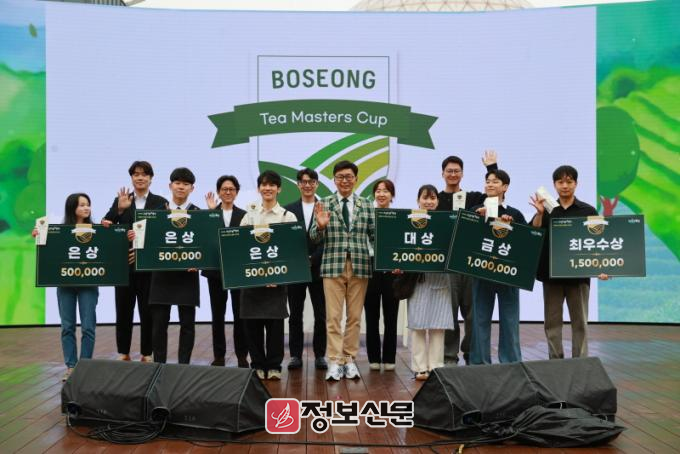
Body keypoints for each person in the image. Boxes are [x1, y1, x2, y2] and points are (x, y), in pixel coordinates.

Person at [529, 165, 609, 359]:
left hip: (578, 277)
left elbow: (598, 242)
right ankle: (555, 361)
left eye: (569, 182)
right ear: (554, 185)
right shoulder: (547, 209)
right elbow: (534, 232)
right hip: (551, 275)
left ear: (576, 184)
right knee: (552, 323)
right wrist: (539, 213)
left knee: (580, 322)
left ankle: (580, 361)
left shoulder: (587, 210)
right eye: (560, 182)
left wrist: (604, 267)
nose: (565, 186)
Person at [310, 160, 375, 381]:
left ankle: (349, 359)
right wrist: (320, 226)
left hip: (360, 266)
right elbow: (314, 237)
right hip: (332, 266)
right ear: (334, 180)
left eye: (348, 177)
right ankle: (335, 361)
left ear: (356, 179)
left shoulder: (366, 204)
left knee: (355, 317)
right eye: (340, 177)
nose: (344, 181)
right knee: (333, 317)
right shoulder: (324, 203)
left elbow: (375, 236)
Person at [34, 194, 106, 381]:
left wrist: (111, 230)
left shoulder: (98, 230)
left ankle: (85, 366)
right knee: (67, 327)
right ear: (72, 208)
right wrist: (39, 235)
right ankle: (71, 366)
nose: (86, 208)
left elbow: (108, 248)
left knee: (88, 327)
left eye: (88, 204)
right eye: (81, 205)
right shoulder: (60, 232)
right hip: (65, 285)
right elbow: (49, 252)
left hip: (88, 285)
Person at [437, 151, 498, 365]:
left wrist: (492, 168)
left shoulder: (473, 198)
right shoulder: (436, 199)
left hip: (471, 264)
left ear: (462, 174)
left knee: (473, 313)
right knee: (449, 313)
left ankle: (471, 353)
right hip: (447, 265)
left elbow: (494, 197)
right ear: (442, 173)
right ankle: (449, 356)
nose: (453, 174)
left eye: (457, 171)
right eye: (449, 171)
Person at [104, 161, 167, 363]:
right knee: (123, 310)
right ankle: (123, 351)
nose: (140, 177)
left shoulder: (160, 202)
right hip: (124, 267)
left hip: (148, 268)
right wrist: (119, 210)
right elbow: (106, 226)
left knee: (147, 312)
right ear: (131, 178)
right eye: (136, 174)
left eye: (144, 174)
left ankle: (147, 353)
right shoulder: (121, 200)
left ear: (151, 178)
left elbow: (163, 234)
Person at [240, 170, 297, 380]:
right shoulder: (249, 215)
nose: (268, 188)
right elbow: (240, 246)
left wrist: (278, 276)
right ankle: (257, 364)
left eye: (272, 185)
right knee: (252, 326)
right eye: (264, 185)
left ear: (279, 189)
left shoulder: (287, 216)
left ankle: (274, 366)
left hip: (277, 280)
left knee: (275, 327)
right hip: (252, 280)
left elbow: (291, 250)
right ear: (259, 188)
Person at [470, 169, 526, 365]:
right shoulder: (475, 210)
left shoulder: (514, 213)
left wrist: (513, 226)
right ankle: (479, 362)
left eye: (495, 181)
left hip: (507, 275)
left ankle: (511, 362)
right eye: (488, 181)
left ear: (505, 187)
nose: (490, 184)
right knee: (479, 319)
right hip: (481, 272)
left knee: (510, 320)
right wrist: (478, 218)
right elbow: (464, 236)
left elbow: (525, 242)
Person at [148, 167, 200, 364]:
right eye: (177, 183)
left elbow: (204, 245)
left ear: (192, 188)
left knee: (187, 325)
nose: (181, 187)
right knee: (159, 325)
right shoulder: (156, 214)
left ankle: (183, 366)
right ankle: (159, 365)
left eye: (186, 184)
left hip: (187, 277)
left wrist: (199, 262)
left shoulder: (198, 214)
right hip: (161, 277)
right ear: (170, 186)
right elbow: (148, 244)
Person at [406, 185, 454, 380]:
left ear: (437, 201)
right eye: (425, 198)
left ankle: (435, 367)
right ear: (418, 200)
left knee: (438, 326)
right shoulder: (408, 221)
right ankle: (419, 367)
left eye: (432, 198)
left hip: (440, 279)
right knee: (418, 325)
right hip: (417, 280)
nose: (428, 201)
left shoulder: (446, 221)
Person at [203, 175, 248, 367]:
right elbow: (205, 241)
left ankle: (242, 356)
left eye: (231, 189)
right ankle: (219, 356)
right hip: (215, 272)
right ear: (218, 192)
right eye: (224, 189)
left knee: (240, 315)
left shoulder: (245, 215)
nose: (228, 192)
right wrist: (211, 213)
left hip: (238, 273)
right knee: (217, 314)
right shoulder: (210, 215)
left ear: (236, 192)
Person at [285, 168, 327, 371]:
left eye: (311, 182)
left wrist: (313, 259)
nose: (307, 185)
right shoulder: (288, 210)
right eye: (303, 182)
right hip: (295, 269)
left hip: (319, 269)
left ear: (317, 184)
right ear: (298, 185)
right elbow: (285, 239)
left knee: (321, 315)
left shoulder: (325, 208)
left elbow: (329, 239)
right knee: (295, 315)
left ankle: (320, 355)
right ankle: (295, 355)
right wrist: (300, 260)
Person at [364, 179, 400, 372]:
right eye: (378, 191)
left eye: (386, 191)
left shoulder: (398, 217)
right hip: (370, 268)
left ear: (392, 195)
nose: (381, 194)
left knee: (391, 317)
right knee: (371, 317)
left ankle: (389, 358)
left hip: (392, 271)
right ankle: (373, 358)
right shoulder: (366, 216)